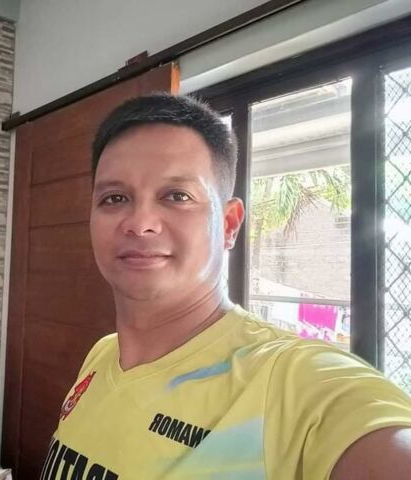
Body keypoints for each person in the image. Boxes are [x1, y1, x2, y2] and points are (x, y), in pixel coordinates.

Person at [40, 94, 411, 480]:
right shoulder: (102, 355)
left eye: (177, 196)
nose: (140, 223)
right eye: (114, 198)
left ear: (229, 224)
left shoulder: (290, 382)